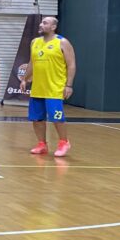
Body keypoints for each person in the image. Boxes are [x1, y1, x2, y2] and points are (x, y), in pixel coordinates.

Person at [19, 15, 77, 156]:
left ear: (53, 27)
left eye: (45, 23)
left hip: (55, 88)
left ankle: (64, 142)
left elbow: (71, 65)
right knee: (37, 118)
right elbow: (32, 63)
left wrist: (69, 85)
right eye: (41, 22)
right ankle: (42, 144)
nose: (41, 25)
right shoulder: (35, 42)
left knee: (57, 118)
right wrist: (24, 79)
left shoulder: (62, 42)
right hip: (38, 87)